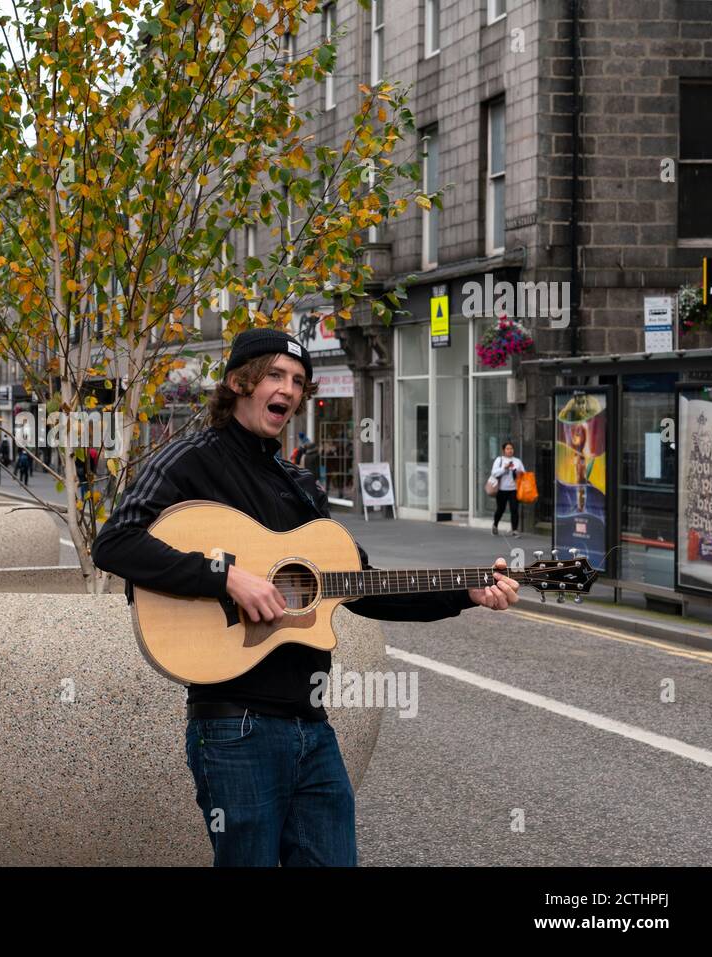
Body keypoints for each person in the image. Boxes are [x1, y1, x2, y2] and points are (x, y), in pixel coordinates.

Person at [91, 328, 519, 868]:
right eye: (274, 375)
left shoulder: (300, 485)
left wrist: (465, 592)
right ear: (238, 382)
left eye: (297, 381)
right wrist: (224, 577)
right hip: (234, 725)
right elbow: (115, 542)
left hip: (311, 727)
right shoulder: (189, 460)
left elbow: (363, 590)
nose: (288, 390)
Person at [490, 441, 526, 537]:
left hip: (514, 489)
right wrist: (504, 468)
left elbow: (523, 473)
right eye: (507, 449)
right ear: (503, 450)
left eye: (511, 449)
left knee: (514, 509)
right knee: (500, 509)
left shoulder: (517, 461)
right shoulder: (499, 460)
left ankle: (514, 530)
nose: (510, 450)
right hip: (501, 489)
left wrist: (518, 472)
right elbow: (494, 473)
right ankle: (495, 524)